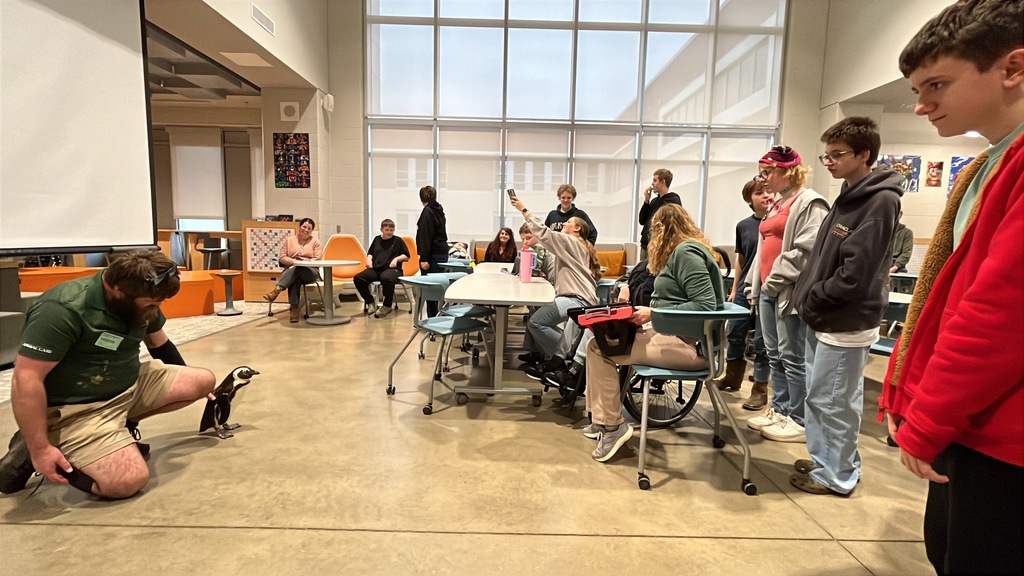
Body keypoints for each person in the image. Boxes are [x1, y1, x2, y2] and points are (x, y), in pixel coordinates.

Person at [880, 1, 1023, 573]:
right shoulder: (989, 162)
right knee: (945, 546)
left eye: (937, 84)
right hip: (975, 424)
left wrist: (930, 416)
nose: (921, 104)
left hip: (1003, 434)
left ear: (1012, 68)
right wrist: (907, 395)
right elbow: (945, 295)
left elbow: (998, 313)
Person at [0, 250, 217, 498]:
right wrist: (40, 450)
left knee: (202, 380)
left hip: (128, 385)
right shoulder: (61, 309)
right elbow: (26, 379)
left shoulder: (141, 296)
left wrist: (203, 392)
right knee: (125, 481)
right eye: (152, 304)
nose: (156, 309)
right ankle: (41, 441)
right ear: (118, 291)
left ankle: (114, 432)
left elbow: (159, 344)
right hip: (78, 409)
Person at [789, 117, 904, 497]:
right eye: (827, 156)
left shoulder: (880, 201)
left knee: (833, 401)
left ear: (864, 154)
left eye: (837, 155)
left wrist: (814, 294)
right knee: (825, 398)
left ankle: (836, 475)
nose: (830, 162)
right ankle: (829, 461)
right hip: (825, 316)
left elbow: (856, 274)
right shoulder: (848, 194)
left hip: (845, 321)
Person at [584, 204, 723, 462]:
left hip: (690, 347)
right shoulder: (684, 252)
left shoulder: (687, 254)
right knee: (599, 340)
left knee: (598, 348)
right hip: (676, 336)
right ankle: (601, 421)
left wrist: (653, 314)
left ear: (661, 230)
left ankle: (612, 426)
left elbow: (705, 306)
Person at [745, 146, 828, 443]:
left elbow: (807, 251)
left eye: (767, 173)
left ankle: (799, 418)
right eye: (761, 173)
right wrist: (755, 286)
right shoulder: (777, 203)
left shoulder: (810, 203)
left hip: (788, 292)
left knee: (793, 357)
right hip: (769, 290)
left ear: (787, 171)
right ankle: (779, 411)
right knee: (773, 354)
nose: (763, 180)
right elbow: (762, 246)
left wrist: (774, 280)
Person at [509, 193, 600, 379]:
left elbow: (544, 233)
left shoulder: (571, 241)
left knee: (536, 322)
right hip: (578, 297)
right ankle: (563, 357)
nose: (563, 224)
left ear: (576, 229)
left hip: (576, 298)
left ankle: (563, 359)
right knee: (538, 321)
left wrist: (523, 209)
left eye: (568, 223)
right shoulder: (578, 244)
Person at [714, 179, 771, 409]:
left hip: (767, 287)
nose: (765, 195)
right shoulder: (744, 226)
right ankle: (732, 377)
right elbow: (741, 259)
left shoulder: (777, 223)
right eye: (759, 192)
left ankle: (760, 388)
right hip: (744, 288)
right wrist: (735, 288)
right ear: (749, 199)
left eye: (768, 190)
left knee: (762, 341)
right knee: (735, 332)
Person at [263, 217, 323, 323]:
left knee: (298, 269)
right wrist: (294, 262)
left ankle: (278, 290)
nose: (306, 230)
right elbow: (282, 257)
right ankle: (294, 309)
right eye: (304, 227)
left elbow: (316, 259)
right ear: (299, 227)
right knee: (295, 278)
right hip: (293, 270)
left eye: (309, 228)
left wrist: (302, 263)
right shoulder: (289, 240)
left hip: (310, 271)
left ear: (312, 230)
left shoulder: (316, 242)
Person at [353, 218, 410, 318]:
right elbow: (370, 253)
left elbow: (407, 256)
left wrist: (396, 259)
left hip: (393, 270)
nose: (389, 232)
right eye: (387, 230)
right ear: (381, 230)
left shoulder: (398, 241)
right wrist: (369, 259)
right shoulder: (377, 239)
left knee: (386, 278)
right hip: (376, 269)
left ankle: (387, 305)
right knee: (358, 278)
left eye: (391, 230)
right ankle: (370, 302)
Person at [416, 185, 448, 316]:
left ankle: (431, 320)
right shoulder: (439, 210)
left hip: (432, 255)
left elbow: (426, 237)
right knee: (437, 288)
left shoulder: (427, 212)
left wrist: (423, 258)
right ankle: (437, 317)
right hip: (441, 253)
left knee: (430, 289)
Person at [637, 168, 683, 260]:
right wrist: (646, 201)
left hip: (659, 246)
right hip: (646, 245)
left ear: (663, 182)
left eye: (655, 180)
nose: (652, 184)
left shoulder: (673, 199)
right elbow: (642, 220)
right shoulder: (654, 201)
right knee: (642, 272)